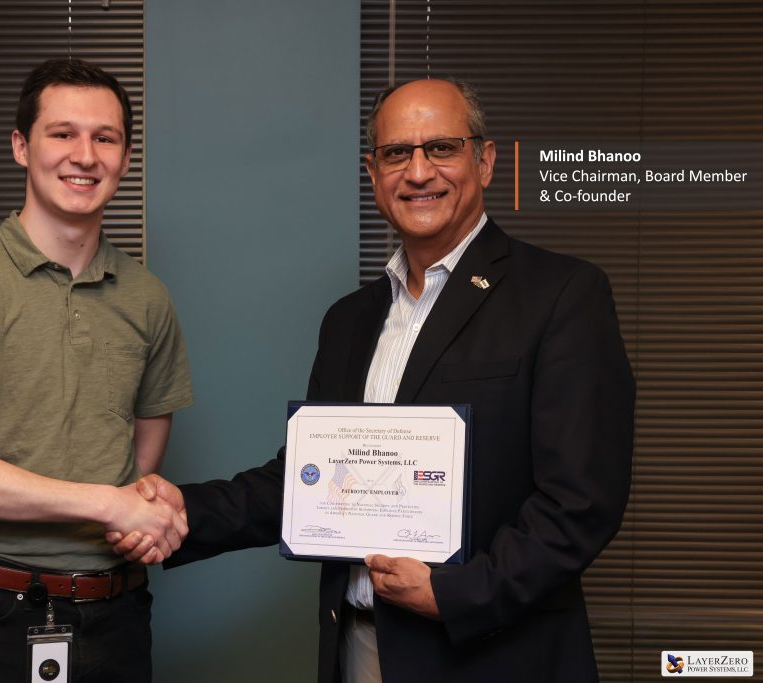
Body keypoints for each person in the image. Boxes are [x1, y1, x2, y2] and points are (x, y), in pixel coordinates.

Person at [112, 79, 634, 682]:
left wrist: (459, 592)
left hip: (493, 657)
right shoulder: (350, 320)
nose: (418, 172)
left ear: (485, 161)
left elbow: (581, 501)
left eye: (441, 147)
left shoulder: (562, 295)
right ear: (373, 171)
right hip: (357, 650)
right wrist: (186, 511)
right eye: (396, 153)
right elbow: (309, 482)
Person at [0, 58, 193, 683]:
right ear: (21, 146)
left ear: (124, 155)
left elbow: (140, 465)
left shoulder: (148, 299)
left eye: (105, 137)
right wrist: (112, 506)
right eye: (62, 133)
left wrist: (138, 510)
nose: (84, 155)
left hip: (116, 615)